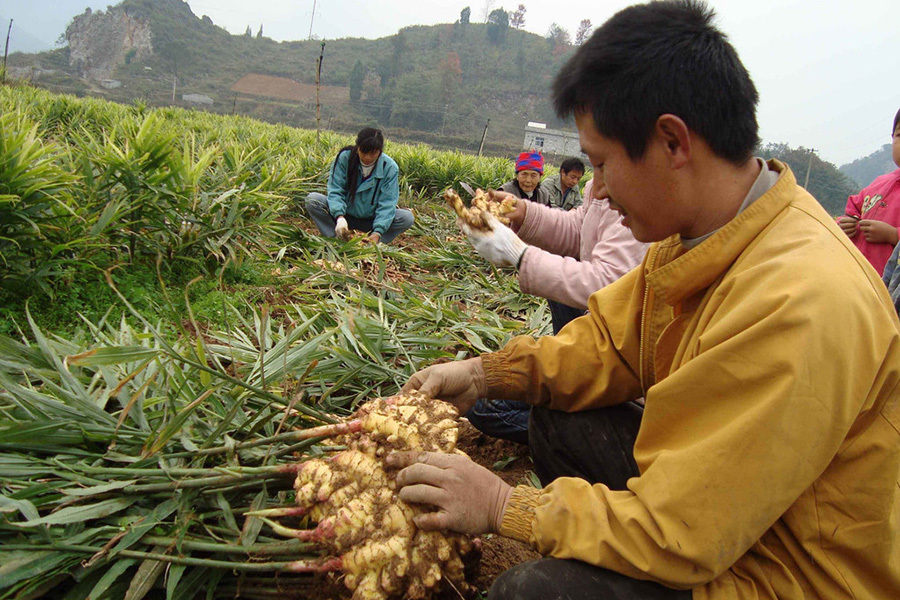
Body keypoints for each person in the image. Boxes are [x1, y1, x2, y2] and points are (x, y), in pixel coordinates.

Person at [388, 2, 900, 600]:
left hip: (783, 571)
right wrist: (485, 374)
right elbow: (608, 345)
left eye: (603, 164)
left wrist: (506, 505)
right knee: (558, 419)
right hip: (730, 517)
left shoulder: (798, 298)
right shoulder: (697, 237)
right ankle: (604, 553)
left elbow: (681, 529)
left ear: (672, 142)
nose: (596, 189)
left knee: (529, 594)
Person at [462, 177, 648, 444]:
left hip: (623, 378)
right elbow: (580, 229)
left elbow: (612, 285)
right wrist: (524, 213)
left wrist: (520, 256)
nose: (598, 187)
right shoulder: (611, 184)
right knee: (483, 403)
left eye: (602, 161)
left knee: (491, 409)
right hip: (602, 350)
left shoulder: (646, 201)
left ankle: (571, 437)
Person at [305, 127, 414, 245]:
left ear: (380, 152)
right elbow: (336, 190)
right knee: (313, 200)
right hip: (344, 217)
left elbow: (387, 203)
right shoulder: (345, 158)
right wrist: (339, 217)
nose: (367, 158)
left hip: (371, 220)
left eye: (373, 153)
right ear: (357, 147)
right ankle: (334, 238)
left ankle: (372, 243)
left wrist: (378, 231)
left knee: (406, 218)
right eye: (363, 152)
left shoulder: (389, 168)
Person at [836, 108, 900, 274]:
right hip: (855, 276)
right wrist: (844, 224)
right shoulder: (879, 183)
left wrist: (893, 235)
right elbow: (853, 211)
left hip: (888, 290)